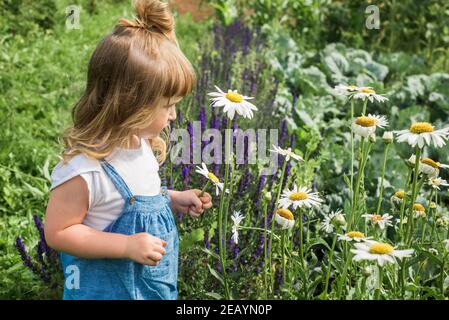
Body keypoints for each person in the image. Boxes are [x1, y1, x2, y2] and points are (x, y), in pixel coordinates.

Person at [44, 0, 212, 300]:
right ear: (130, 104)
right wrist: (125, 245)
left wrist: (172, 199)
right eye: (168, 106)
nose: (173, 116)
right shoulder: (85, 170)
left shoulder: (141, 146)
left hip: (150, 289)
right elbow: (59, 232)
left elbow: (134, 197)